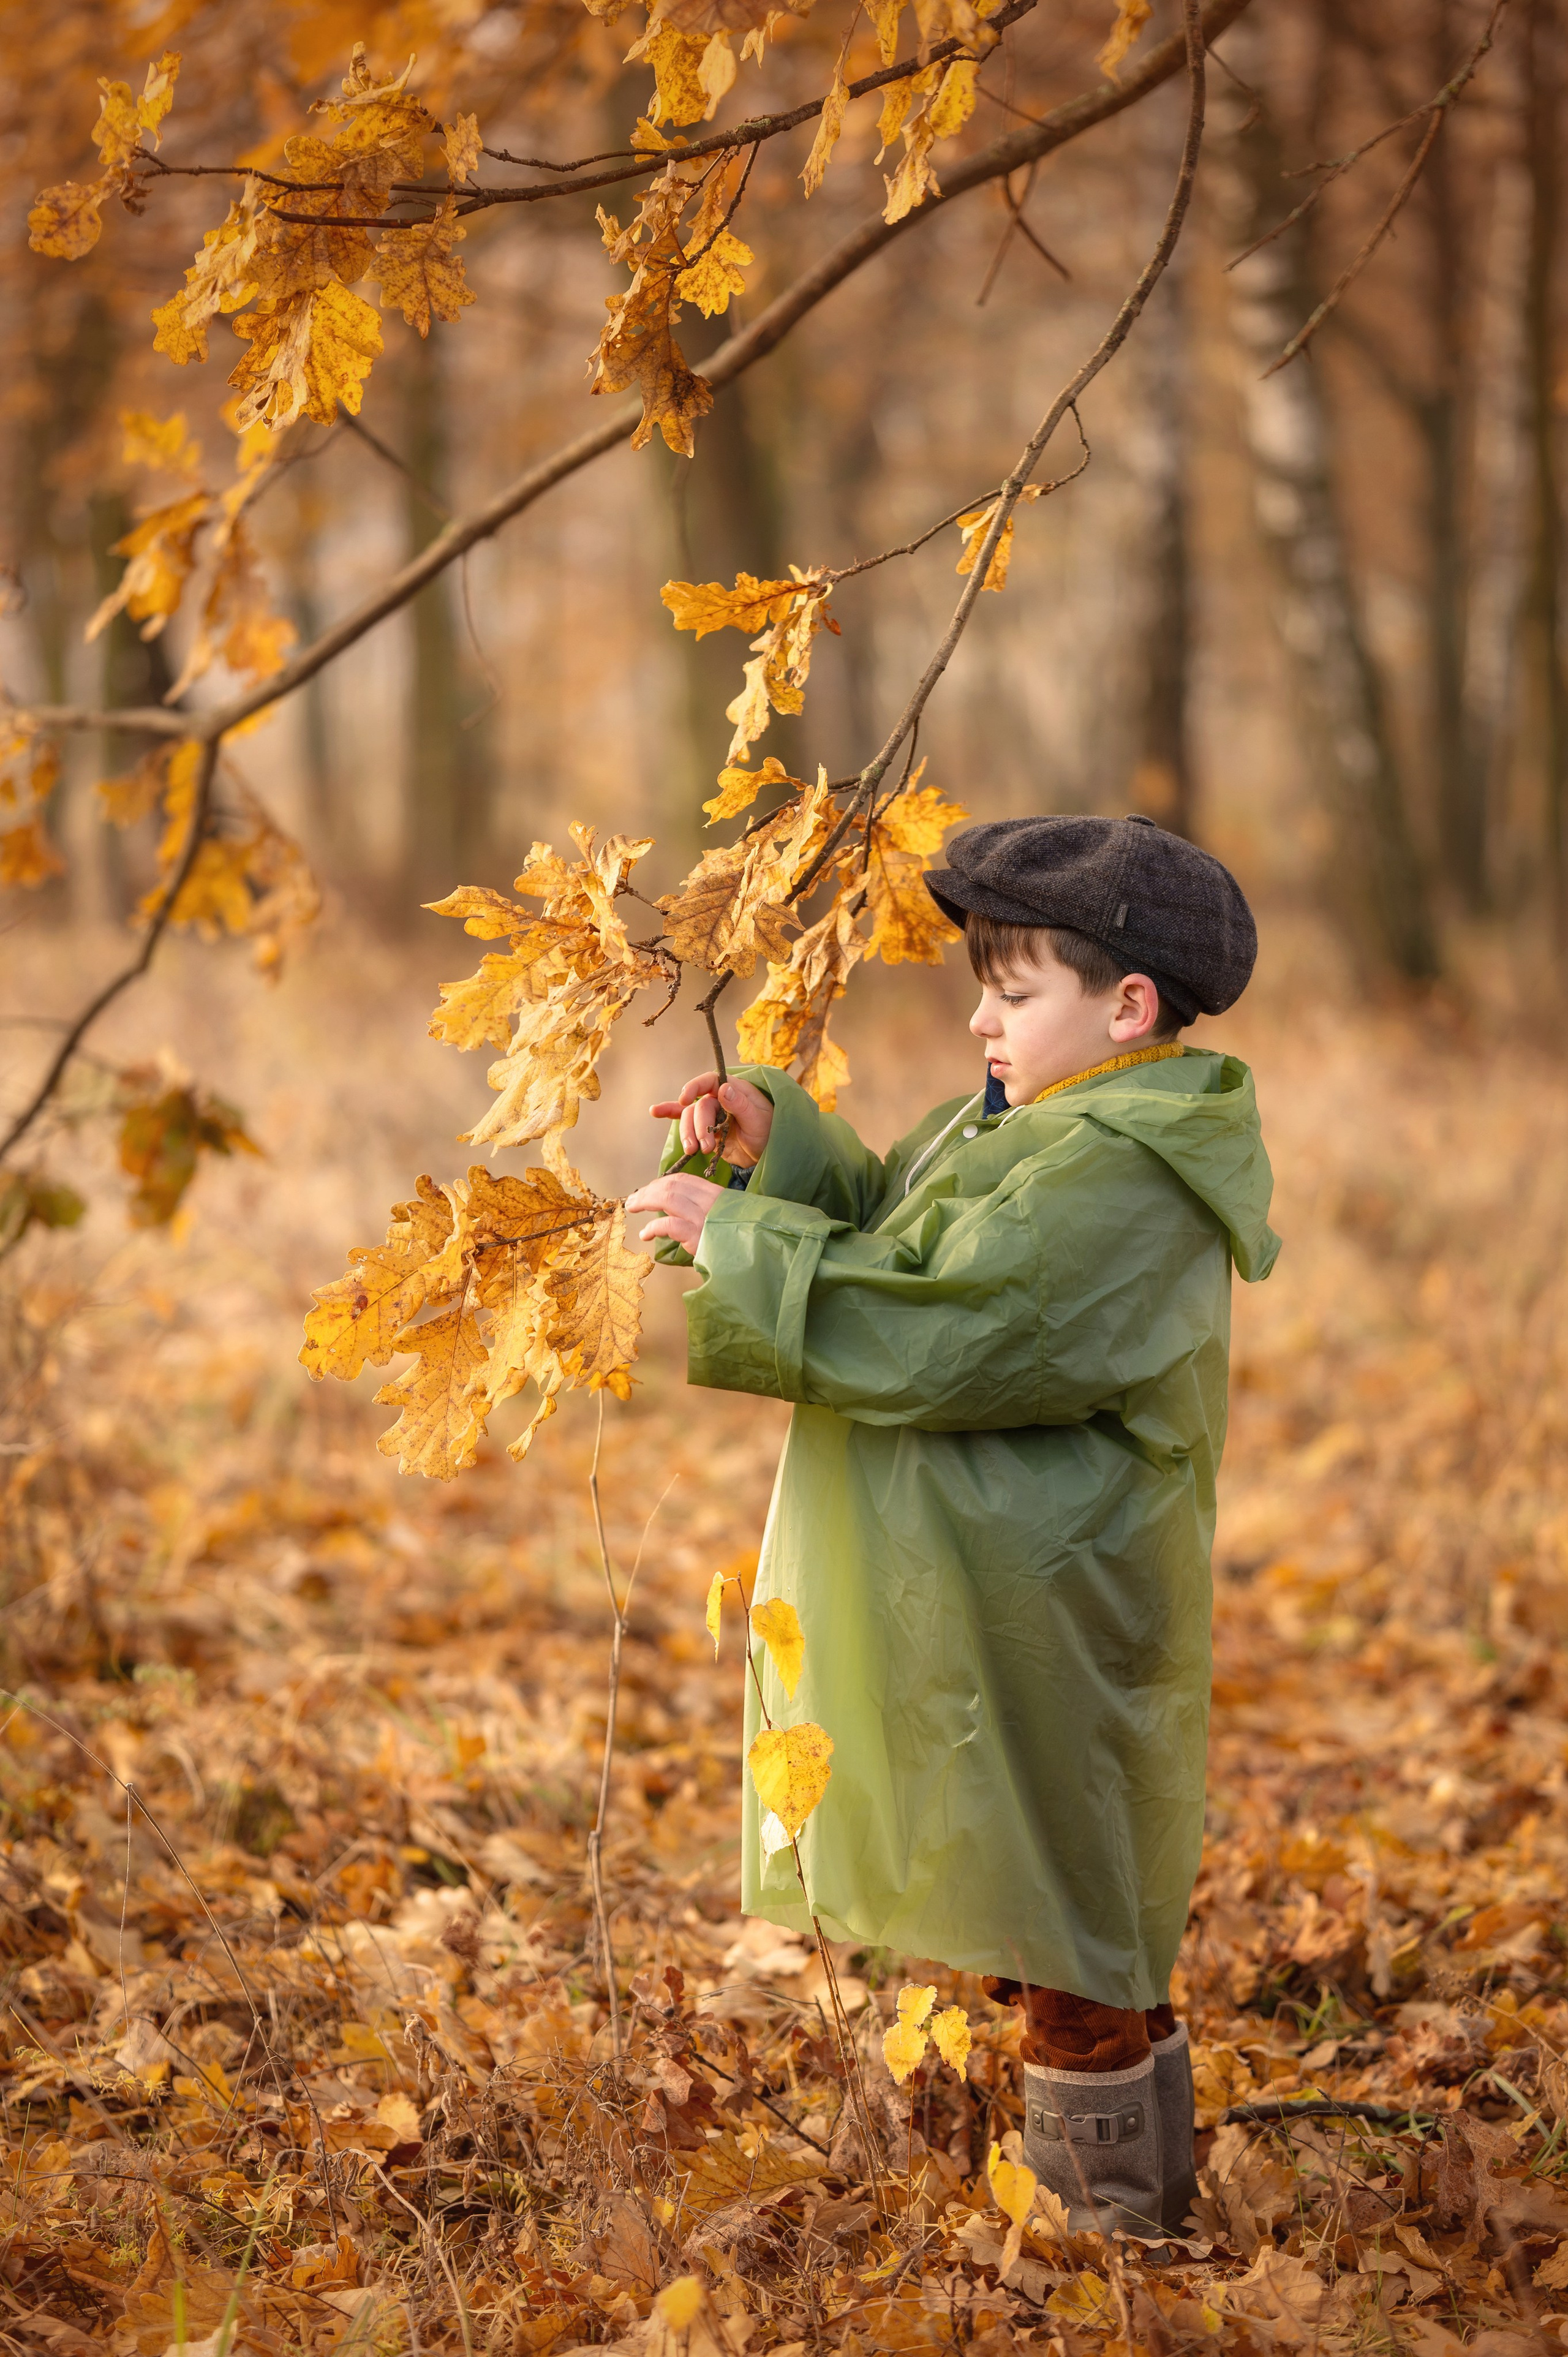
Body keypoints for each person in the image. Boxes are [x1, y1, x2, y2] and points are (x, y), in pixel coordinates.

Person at [625, 812, 1279, 2238]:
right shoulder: (1029, 1122)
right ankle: (1128, 2209)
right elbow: (893, 1226)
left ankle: (1111, 2236)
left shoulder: (1123, 1165)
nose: (978, 1015)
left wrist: (730, 1241)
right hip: (989, 1576)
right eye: (981, 985)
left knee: (1070, 1905)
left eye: (1014, 990)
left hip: (1055, 1589)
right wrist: (773, 1150)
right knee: (1049, 1892)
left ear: (1126, 1006)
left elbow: (961, 1323)